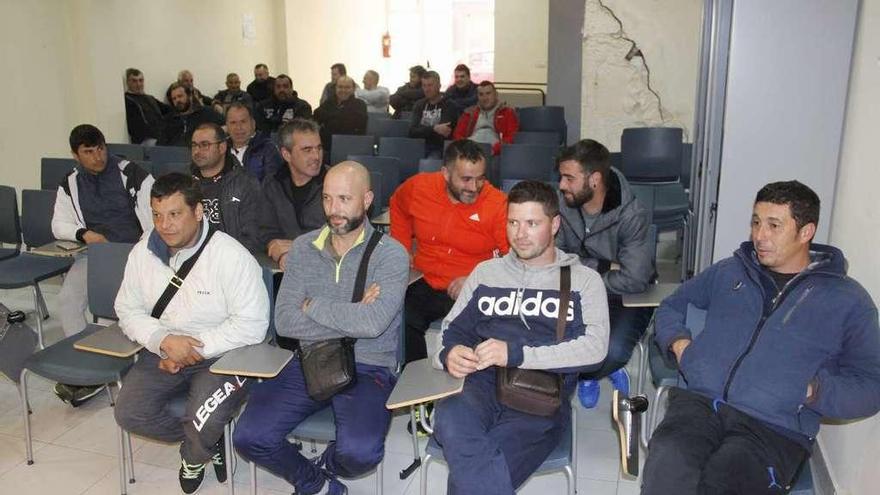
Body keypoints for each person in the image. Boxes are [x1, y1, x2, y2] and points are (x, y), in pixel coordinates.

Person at [641, 181, 880, 495]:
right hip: (699, 405)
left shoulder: (848, 300)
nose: (759, 236)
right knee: (667, 473)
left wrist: (811, 391)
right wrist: (681, 346)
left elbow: (871, 384)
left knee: (723, 483)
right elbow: (673, 305)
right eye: (756, 222)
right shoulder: (730, 272)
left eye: (774, 225)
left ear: (806, 232)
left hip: (773, 428)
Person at [234, 161, 409, 495]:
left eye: (344, 199)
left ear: (367, 199)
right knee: (248, 436)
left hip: (369, 364)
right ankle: (315, 482)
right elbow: (284, 321)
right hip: (309, 358)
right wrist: (353, 312)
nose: (334, 210)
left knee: (360, 454)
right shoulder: (303, 247)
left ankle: (328, 464)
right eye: (327, 199)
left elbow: (372, 325)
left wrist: (313, 306)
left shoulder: (391, 256)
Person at [432, 180, 610, 494]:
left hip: (539, 396)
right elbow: (451, 330)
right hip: (479, 384)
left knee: (471, 479)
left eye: (532, 223)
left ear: (554, 224)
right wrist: (449, 353)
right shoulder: (487, 273)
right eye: (513, 222)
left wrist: (517, 354)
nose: (520, 233)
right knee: (448, 416)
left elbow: (595, 348)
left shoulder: (584, 280)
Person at [114, 173, 269, 494]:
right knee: (129, 413)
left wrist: (190, 350)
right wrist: (164, 342)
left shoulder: (232, 256)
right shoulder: (143, 251)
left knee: (203, 417)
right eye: (157, 215)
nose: (165, 225)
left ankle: (195, 452)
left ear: (198, 212)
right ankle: (210, 443)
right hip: (164, 349)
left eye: (174, 214)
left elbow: (253, 325)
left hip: (223, 356)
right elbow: (126, 309)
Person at [51, 124, 154, 405]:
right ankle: (85, 365)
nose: (98, 157)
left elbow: (154, 222)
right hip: (95, 254)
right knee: (67, 300)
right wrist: (84, 234)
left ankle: (115, 367)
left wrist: (136, 256)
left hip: (133, 253)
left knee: (113, 310)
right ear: (76, 155)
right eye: (88, 152)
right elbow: (58, 224)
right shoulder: (70, 182)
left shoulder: (131, 173)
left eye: (101, 149)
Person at [554, 139, 655, 408]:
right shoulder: (564, 204)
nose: (561, 185)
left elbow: (634, 278)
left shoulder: (632, 214)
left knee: (613, 351)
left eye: (569, 178)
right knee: (551, 340)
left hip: (625, 294)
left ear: (595, 179)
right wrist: (603, 265)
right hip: (583, 287)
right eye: (561, 177)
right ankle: (588, 375)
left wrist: (582, 269)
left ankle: (599, 372)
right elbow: (556, 259)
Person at [390, 139, 509, 363]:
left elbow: (512, 259)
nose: (474, 188)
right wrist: (401, 248)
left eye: (480, 178)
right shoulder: (419, 187)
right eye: (465, 179)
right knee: (401, 318)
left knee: (470, 334)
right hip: (425, 279)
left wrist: (476, 280)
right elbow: (397, 205)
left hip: (472, 287)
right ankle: (416, 391)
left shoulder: (497, 204)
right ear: (445, 173)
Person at [259, 119, 327, 270]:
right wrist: (280, 253)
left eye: (319, 148)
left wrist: (298, 247)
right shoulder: (272, 184)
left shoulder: (335, 182)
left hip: (328, 270)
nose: (316, 156)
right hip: (284, 268)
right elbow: (265, 231)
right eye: (307, 150)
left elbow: (346, 235)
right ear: (286, 154)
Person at [189, 122, 263, 252]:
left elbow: (253, 238)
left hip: (230, 260)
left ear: (222, 147)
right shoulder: (184, 183)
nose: (197, 151)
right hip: (190, 259)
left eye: (205, 145)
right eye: (194, 145)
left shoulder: (245, 184)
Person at [452, 81, 519, 155]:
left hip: (494, 151)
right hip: (471, 150)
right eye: (481, 94)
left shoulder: (507, 112)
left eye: (488, 93)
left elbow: (512, 137)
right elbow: (457, 135)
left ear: (496, 95)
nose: (485, 98)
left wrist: (494, 149)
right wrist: (466, 148)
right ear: (477, 96)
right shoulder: (469, 113)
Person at [225, 102, 284, 181]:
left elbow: (273, 187)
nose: (238, 127)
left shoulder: (268, 149)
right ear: (227, 126)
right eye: (233, 123)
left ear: (253, 124)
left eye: (243, 121)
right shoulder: (220, 150)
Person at [314, 75, 368, 160]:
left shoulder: (360, 104)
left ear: (353, 89)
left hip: (351, 147)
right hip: (327, 147)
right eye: (340, 87)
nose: (343, 90)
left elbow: (352, 123)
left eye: (347, 87)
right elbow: (317, 115)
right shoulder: (329, 102)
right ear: (335, 88)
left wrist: (330, 116)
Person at [409, 70, 460, 157]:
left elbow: (443, 134)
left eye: (430, 85)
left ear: (439, 86)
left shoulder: (450, 105)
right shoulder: (419, 105)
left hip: (439, 149)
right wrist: (434, 128)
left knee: (430, 162)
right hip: (418, 146)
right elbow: (412, 132)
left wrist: (423, 130)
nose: (427, 89)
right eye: (424, 86)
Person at [158, 82, 224, 147]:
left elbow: (225, 125)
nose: (177, 100)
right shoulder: (168, 119)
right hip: (173, 154)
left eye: (180, 96)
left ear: (189, 96)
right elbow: (160, 145)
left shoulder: (206, 113)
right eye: (174, 99)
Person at [123, 67, 169, 145]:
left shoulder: (150, 98)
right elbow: (137, 127)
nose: (138, 84)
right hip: (146, 140)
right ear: (128, 82)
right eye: (134, 81)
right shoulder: (128, 100)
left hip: (161, 136)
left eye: (141, 80)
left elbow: (168, 110)